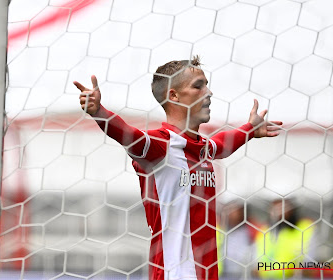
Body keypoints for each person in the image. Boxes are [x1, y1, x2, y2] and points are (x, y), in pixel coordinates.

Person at [73, 56, 282, 280]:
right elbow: (128, 134)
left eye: (207, 85)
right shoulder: (161, 146)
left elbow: (221, 145)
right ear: (174, 95)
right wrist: (99, 113)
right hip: (176, 274)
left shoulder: (202, 148)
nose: (209, 93)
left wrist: (249, 130)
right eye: (198, 86)